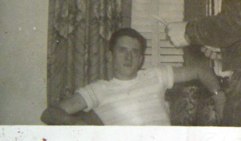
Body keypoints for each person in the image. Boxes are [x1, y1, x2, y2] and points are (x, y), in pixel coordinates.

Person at [41, 28, 224, 126]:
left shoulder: (156, 75)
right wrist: (75, 123)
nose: (128, 58)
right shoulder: (98, 90)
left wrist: (219, 96)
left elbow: (200, 70)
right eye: (122, 51)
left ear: (141, 59)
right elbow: (49, 114)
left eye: (134, 52)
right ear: (110, 56)